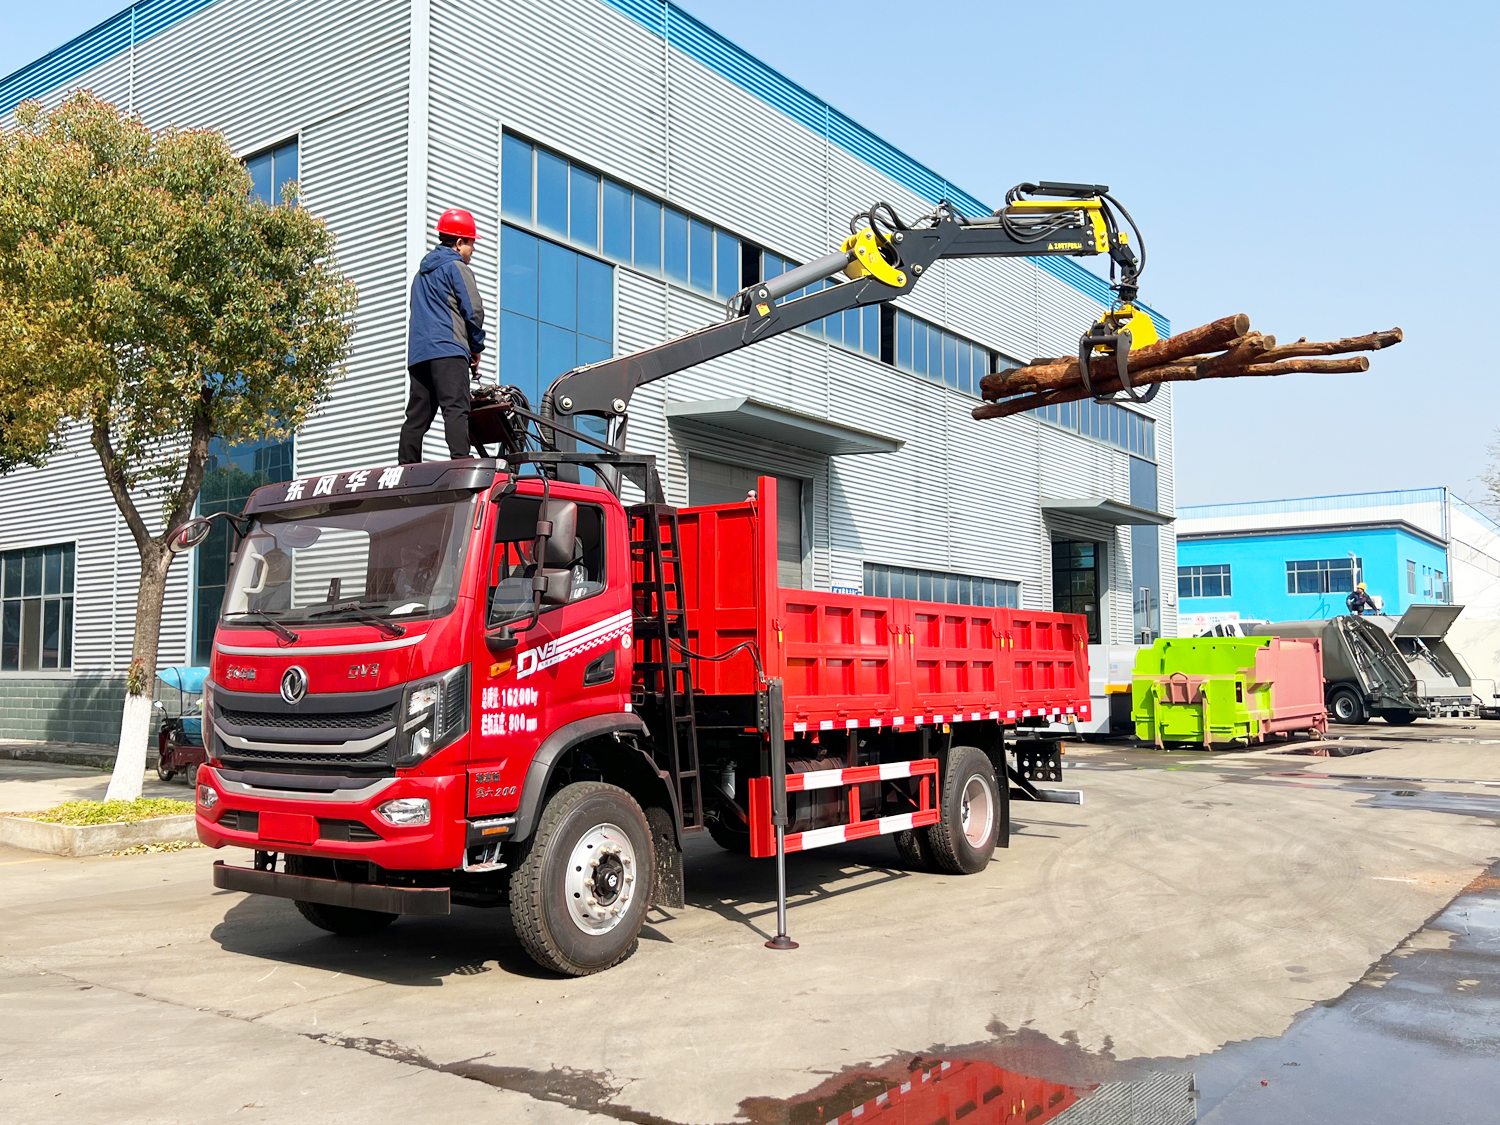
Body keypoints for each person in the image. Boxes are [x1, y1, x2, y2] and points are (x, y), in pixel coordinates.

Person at [398, 208, 486, 464]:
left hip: (419, 355)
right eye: (471, 243)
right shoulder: (456, 267)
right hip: (448, 350)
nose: (473, 250)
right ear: (459, 243)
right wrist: (476, 346)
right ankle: (461, 462)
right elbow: (473, 310)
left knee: (417, 416)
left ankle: (406, 467)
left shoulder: (420, 276)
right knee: (456, 407)